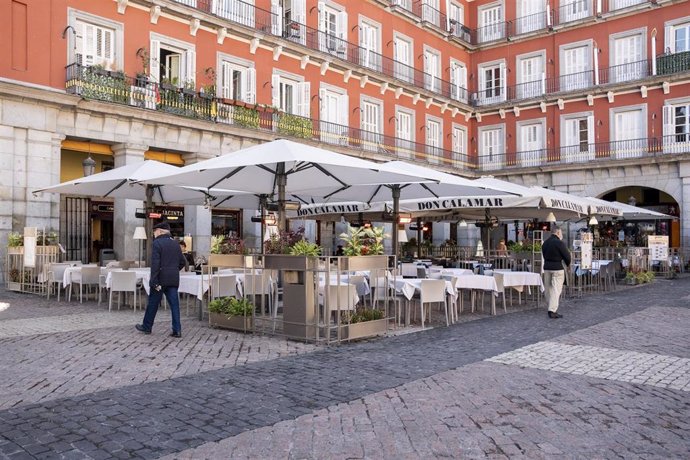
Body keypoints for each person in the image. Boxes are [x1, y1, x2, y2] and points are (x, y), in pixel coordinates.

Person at [136, 221, 186, 338]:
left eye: (154, 231)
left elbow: (155, 264)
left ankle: (147, 326)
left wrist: (153, 280)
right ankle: (177, 330)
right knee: (174, 305)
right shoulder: (175, 243)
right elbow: (182, 262)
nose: (154, 234)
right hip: (173, 279)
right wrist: (173, 270)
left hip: (160, 279)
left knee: (153, 303)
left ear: (160, 231)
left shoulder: (157, 243)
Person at [541, 226, 571, 319]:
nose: (561, 235)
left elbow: (544, 255)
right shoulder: (559, 243)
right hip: (557, 268)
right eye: (561, 233)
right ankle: (552, 310)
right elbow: (567, 256)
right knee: (556, 289)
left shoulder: (545, 243)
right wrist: (567, 264)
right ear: (558, 233)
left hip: (547, 267)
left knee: (548, 288)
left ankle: (550, 305)